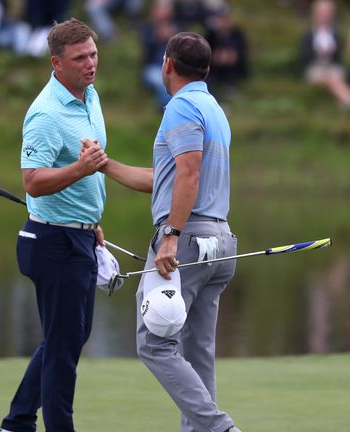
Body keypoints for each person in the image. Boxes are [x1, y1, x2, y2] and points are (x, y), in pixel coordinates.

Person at [97, 31, 241, 432]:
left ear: (168, 65)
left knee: (153, 342)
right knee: (198, 353)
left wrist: (171, 235)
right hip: (220, 242)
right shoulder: (213, 108)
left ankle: (219, 427)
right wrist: (105, 165)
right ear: (206, 69)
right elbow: (166, 178)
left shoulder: (179, 107)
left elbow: (188, 174)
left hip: (186, 242)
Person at [0, 18, 109, 432]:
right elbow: (33, 180)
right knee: (64, 350)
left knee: (69, 338)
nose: (90, 64)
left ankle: (17, 421)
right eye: (80, 58)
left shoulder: (90, 96)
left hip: (79, 234)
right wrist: (80, 170)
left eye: (93, 54)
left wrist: (90, 221)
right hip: (51, 241)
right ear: (56, 63)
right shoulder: (45, 113)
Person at [299, 0, 350, 110]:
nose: (326, 16)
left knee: (333, 76)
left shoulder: (335, 33)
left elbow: (339, 57)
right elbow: (304, 57)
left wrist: (332, 52)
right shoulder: (308, 34)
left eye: (328, 13)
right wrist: (319, 53)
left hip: (332, 67)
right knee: (329, 78)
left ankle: (347, 102)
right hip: (314, 68)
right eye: (323, 13)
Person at [140, 1, 179, 109]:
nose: (162, 12)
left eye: (165, 9)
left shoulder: (177, 28)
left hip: (175, 67)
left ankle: (166, 106)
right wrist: (156, 38)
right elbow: (145, 53)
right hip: (153, 68)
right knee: (161, 79)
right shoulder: (148, 28)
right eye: (159, 9)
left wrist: (174, 38)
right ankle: (169, 108)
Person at [204, 6, 248, 99]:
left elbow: (243, 51)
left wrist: (234, 56)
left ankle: (231, 87)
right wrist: (215, 56)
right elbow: (205, 51)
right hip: (214, 67)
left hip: (233, 66)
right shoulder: (210, 34)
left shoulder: (237, 33)